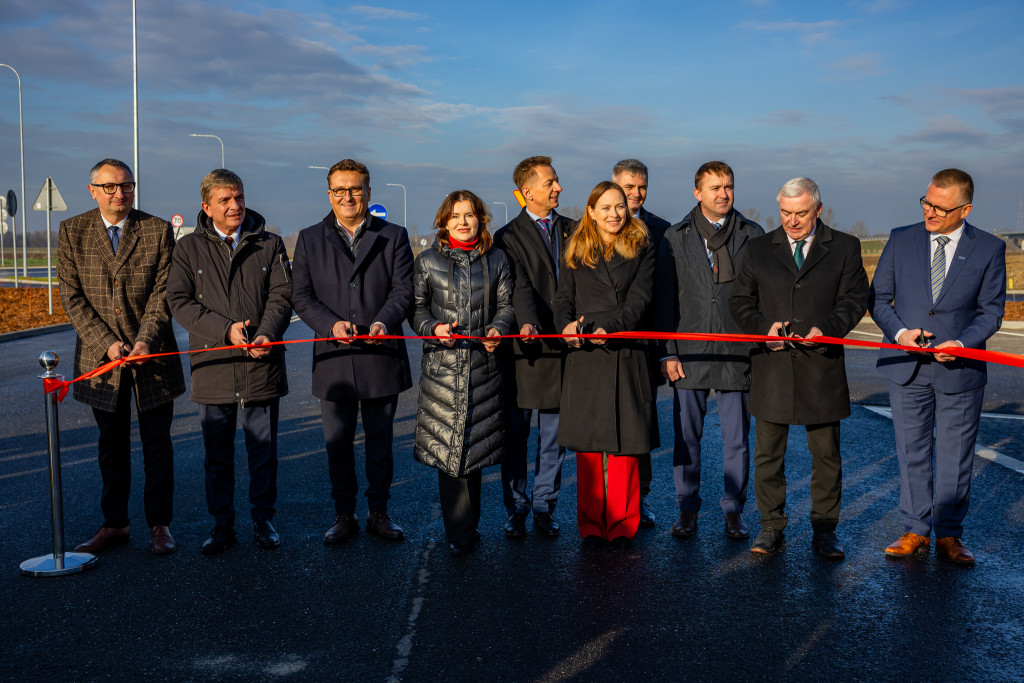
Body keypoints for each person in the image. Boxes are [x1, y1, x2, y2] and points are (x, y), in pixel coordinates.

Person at [870, 169, 1006, 566]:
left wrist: (961, 344)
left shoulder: (990, 248)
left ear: (965, 210)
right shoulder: (901, 239)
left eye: (941, 208)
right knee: (911, 451)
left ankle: (949, 533)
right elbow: (877, 298)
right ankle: (915, 529)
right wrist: (900, 333)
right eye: (926, 203)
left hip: (960, 368)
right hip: (906, 365)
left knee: (956, 455)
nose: (930, 212)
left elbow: (991, 311)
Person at [729, 177, 868, 559]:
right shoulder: (757, 249)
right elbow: (739, 301)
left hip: (821, 368)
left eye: (801, 213)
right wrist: (763, 328)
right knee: (768, 457)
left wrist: (829, 328)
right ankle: (771, 527)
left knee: (826, 458)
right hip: (771, 367)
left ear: (818, 210)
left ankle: (825, 531)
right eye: (785, 213)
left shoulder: (845, 247)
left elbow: (854, 299)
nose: (792, 221)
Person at [58, 158, 185, 556]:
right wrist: (106, 343)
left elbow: (163, 293)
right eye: (110, 187)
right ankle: (114, 524)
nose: (120, 193)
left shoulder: (157, 230)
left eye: (127, 185)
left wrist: (145, 340)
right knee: (111, 445)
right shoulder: (73, 230)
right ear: (93, 190)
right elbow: (71, 296)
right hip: (102, 361)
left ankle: (160, 525)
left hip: (153, 356)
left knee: (157, 444)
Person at [167, 169, 292, 554]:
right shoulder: (188, 248)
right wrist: (225, 331)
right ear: (206, 207)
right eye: (225, 200)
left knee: (263, 451)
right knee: (217, 455)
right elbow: (179, 302)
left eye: (238, 197)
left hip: (262, 363)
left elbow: (282, 296)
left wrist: (267, 333)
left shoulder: (269, 243)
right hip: (214, 365)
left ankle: (263, 519)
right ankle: (222, 525)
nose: (235, 205)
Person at [291, 159, 413, 544]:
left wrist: (383, 322)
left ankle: (379, 513)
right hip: (334, 358)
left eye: (355, 189)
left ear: (368, 192)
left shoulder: (394, 235)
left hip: (380, 354)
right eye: (340, 190)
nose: (348, 196)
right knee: (338, 445)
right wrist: (330, 325)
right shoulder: (309, 238)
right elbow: (301, 296)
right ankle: (344, 515)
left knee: (380, 444)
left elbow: (404, 291)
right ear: (329, 194)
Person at [654, 161, 763, 541]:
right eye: (715, 187)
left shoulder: (752, 234)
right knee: (687, 438)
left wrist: (758, 347)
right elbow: (665, 298)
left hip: (737, 351)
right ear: (697, 193)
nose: (723, 194)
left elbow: (760, 296)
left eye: (728, 186)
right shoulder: (675, 236)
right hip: (690, 352)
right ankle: (687, 509)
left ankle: (734, 511)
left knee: (737, 440)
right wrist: (667, 352)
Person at [555, 181, 657, 550]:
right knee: (588, 445)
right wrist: (565, 327)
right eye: (606, 208)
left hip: (625, 349)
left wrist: (610, 329)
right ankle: (591, 523)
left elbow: (640, 300)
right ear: (591, 212)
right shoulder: (575, 248)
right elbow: (562, 300)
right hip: (585, 356)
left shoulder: (643, 245)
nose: (614, 214)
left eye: (620, 207)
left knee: (625, 444)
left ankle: (623, 522)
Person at [412, 191, 515, 556]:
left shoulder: (497, 259)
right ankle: (458, 532)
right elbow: (417, 310)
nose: (462, 222)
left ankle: (469, 527)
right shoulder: (427, 261)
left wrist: (498, 329)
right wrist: (433, 329)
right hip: (442, 369)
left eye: (469, 215)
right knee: (449, 452)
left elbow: (507, 306)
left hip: (484, 367)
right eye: (455, 216)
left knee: (474, 451)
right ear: (444, 221)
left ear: (480, 219)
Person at [493, 156, 575, 538]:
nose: (558, 188)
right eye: (550, 183)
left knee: (554, 438)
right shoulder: (507, 237)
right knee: (517, 436)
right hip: (525, 349)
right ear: (527, 191)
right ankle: (517, 507)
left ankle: (544, 506)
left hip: (566, 347)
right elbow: (517, 287)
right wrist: (529, 323)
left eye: (557, 181)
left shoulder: (575, 230)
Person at [612, 158, 671, 527]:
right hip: (603, 345)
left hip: (643, 347)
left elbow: (664, 296)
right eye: (629, 187)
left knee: (641, 425)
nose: (636, 193)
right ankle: (608, 498)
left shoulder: (662, 231)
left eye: (642, 186)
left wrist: (665, 351)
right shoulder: (594, 227)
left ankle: (640, 497)